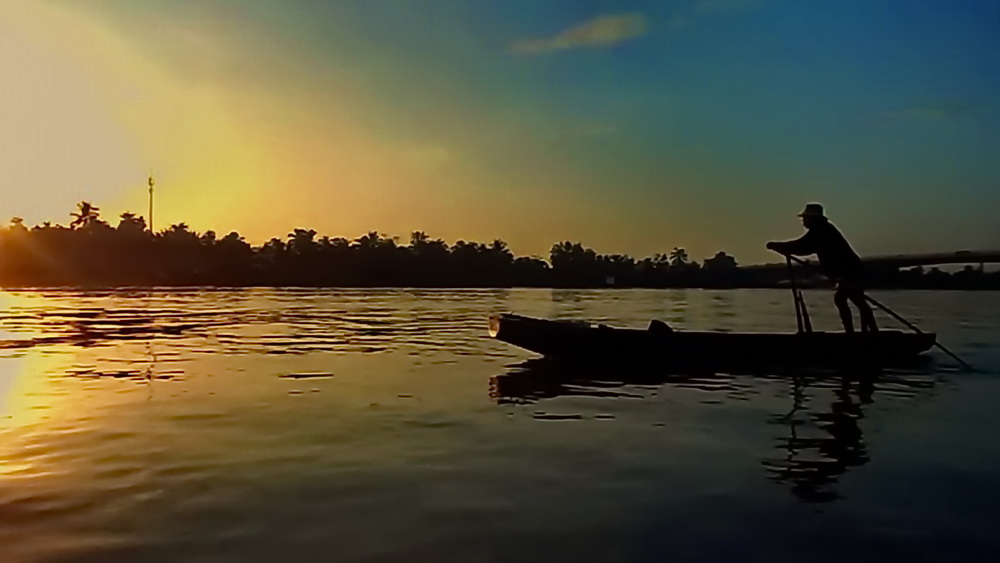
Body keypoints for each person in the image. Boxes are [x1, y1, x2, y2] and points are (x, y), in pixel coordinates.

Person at [766, 204, 878, 333]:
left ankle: (860, 332)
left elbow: (803, 247)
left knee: (846, 299)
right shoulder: (821, 229)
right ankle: (864, 331)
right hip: (849, 271)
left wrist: (777, 246)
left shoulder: (821, 231)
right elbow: (803, 247)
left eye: (805, 218)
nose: (803, 221)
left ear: (812, 218)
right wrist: (781, 247)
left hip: (851, 271)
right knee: (852, 299)